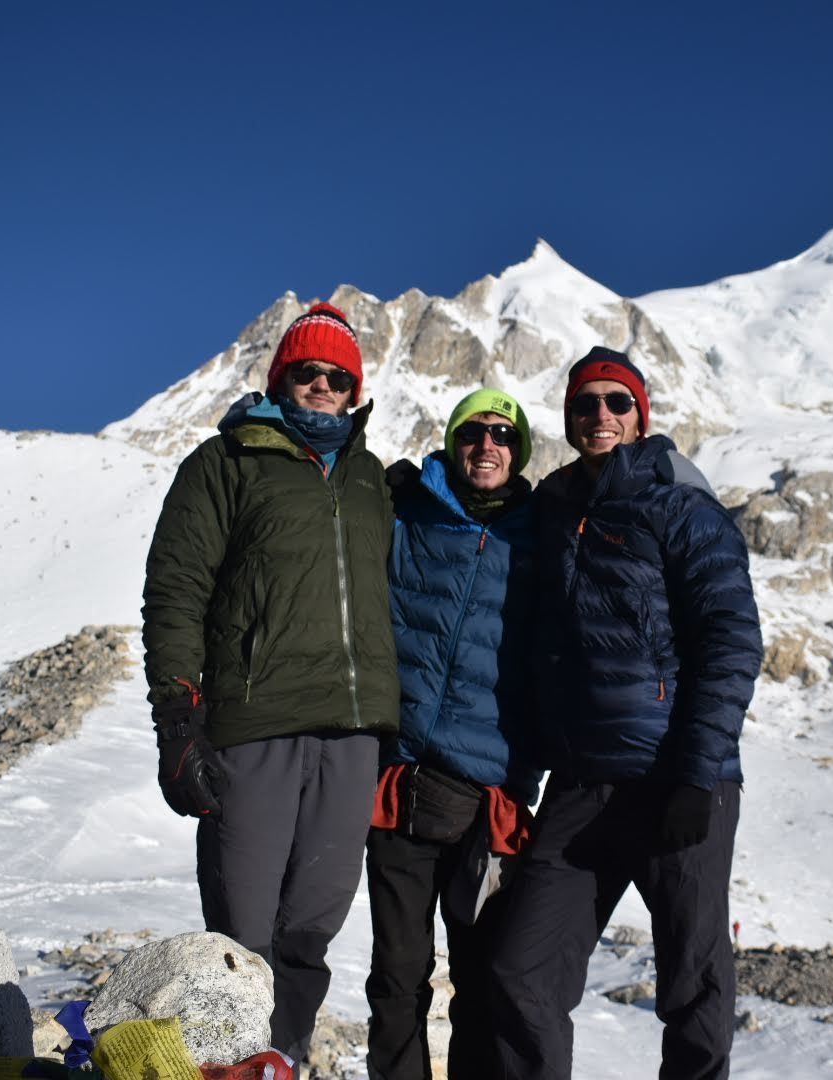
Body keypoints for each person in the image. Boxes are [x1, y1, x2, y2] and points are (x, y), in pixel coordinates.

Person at [488, 347, 763, 1080]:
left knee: (692, 979)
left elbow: (731, 641)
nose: (600, 415)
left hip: (676, 779)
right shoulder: (552, 508)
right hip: (583, 784)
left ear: (642, 415)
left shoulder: (681, 507)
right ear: (569, 416)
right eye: (586, 403)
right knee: (522, 971)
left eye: (617, 402)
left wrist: (697, 776)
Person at [141, 301, 400, 1065]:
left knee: (310, 933)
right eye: (306, 371)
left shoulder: (370, 479)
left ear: (355, 391)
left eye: (336, 376)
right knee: (240, 938)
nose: (321, 385)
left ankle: (280, 1062)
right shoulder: (224, 463)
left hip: (352, 736)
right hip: (253, 727)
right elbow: (176, 589)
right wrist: (177, 719)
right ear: (280, 377)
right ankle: (227, 1062)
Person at [366, 388, 542, 1080]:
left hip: (486, 800)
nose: (487, 445)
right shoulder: (408, 511)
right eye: (473, 433)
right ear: (451, 442)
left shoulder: (539, 532)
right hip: (401, 785)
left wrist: (521, 780)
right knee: (397, 976)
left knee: (481, 979)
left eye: (502, 434)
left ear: (519, 450)